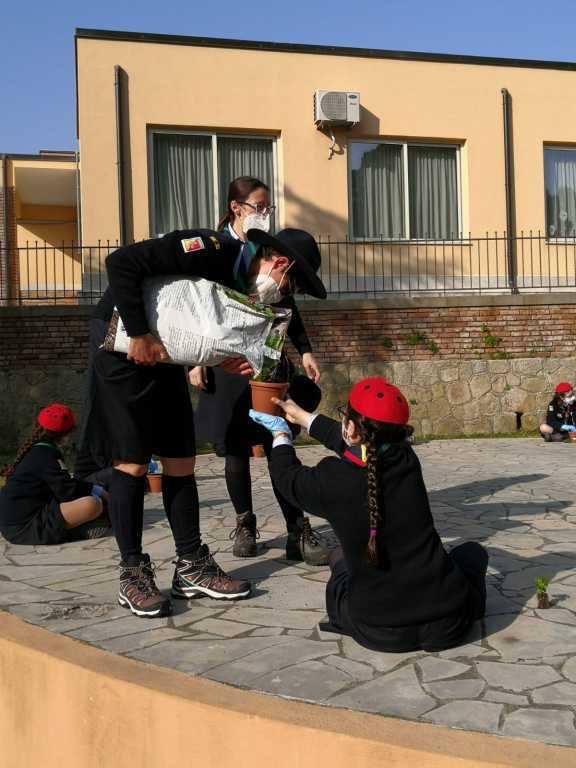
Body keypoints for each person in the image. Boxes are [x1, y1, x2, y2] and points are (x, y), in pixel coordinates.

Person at [82, 222, 327, 618]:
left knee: (181, 458)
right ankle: (132, 572)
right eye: (291, 285)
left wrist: (219, 357)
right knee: (133, 463)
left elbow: (194, 319)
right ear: (279, 262)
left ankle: (191, 565)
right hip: (124, 344)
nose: (287, 295)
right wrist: (141, 335)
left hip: (165, 354)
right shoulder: (211, 249)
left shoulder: (242, 285)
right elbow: (121, 262)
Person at [250, 377, 489, 653]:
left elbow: (287, 478)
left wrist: (281, 435)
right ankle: (473, 605)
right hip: (449, 623)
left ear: (351, 428)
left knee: (339, 559)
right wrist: (305, 418)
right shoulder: (406, 459)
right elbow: (360, 444)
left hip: (379, 629)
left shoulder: (331, 480)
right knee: (472, 553)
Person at [192, 177, 329, 564]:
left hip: (268, 360)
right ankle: (245, 523)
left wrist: (303, 350)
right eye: (259, 206)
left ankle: (296, 529)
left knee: (277, 440)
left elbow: (288, 303)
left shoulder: (272, 253)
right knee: (235, 447)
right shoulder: (219, 249)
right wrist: (199, 360)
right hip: (226, 363)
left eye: (268, 207)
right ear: (237, 207)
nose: (265, 213)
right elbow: (202, 310)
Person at [0, 404, 110, 545]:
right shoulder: (47, 454)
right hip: (25, 527)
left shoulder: (37, 449)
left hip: (15, 524)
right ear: (66, 435)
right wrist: (97, 494)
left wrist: (96, 489)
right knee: (92, 504)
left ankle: (83, 525)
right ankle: (78, 531)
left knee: (93, 500)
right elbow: (67, 492)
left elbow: (64, 484)